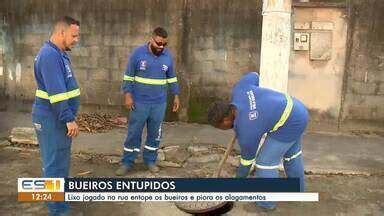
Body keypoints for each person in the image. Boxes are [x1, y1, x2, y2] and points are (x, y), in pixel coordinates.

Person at [207, 72, 308, 211]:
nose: (222, 129)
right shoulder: (240, 89)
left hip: (290, 122)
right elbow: (254, 75)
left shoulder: (247, 131)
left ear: (226, 120)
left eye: (220, 127)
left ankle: (266, 204)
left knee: (264, 163)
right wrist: (256, 103)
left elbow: (247, 162)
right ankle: (298, 191)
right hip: (295, 108)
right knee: (292, 155)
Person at [32, 16, 80, 215]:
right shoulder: (50, 56)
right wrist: (68, 119)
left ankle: (60, 203)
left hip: (56, 119)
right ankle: (58, 210)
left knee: (60, 163)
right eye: (74, 35)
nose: (77, 39)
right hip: (52, 119)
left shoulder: (59, 53)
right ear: (61, 33)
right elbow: (58, 93)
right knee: (54, 166)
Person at [116, 27, 180, 175]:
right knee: (134, 133)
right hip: (139, 103)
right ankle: (127, 162)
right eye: (158, 43)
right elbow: (128, 76)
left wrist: (176, 95)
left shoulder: (167, 56)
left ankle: (150, 160)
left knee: (155, 134)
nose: (161, 47)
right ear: (151, 39)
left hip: (159, 103)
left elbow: (172, 78)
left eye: (164, 44)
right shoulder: (138, 54)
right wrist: (127, 95)